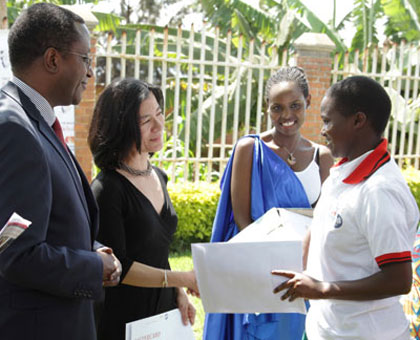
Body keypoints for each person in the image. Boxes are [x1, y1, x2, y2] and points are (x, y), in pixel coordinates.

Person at [0, 4, 121, 340]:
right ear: (53, 59)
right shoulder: (16, 128)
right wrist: (93, 267)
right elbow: (16, 253)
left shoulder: (34, 122)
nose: (90, 73)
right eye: (85, 59)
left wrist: (90, 249)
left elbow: (43, 225)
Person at [273, 76, 419, 340]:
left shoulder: (380, 191)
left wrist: (322, 289)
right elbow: (318, 229)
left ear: (358, 120)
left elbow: (399, 279)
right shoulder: (342, 170)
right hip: (326, 328)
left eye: (328, 120)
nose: (322, 130)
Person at [203, 66, 334, 340]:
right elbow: (241, 219)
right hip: (258, 271)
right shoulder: (249, 150)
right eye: (277, 108)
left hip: (302, 273)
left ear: (309, 101)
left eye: (295, 105)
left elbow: (323, 221)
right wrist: (271, 267)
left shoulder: (322, 157)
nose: (286, 115)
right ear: (267, 109)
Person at [88, 78, 199, 340]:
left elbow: (156, 250)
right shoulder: (107, 189)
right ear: (121, 127)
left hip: (162, 314)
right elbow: (119, 268)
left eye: (159, 114)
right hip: (125, 320)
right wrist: (183, 279)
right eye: (146, 120)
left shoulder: (158, 175)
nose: (159, 125)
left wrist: (178, 293)